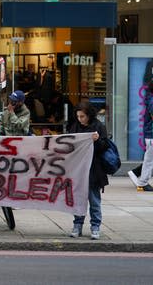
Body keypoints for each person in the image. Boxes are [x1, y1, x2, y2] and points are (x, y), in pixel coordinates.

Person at [68, 101, 109, 240]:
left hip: (94, 170)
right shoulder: (75, 127)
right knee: (78, 200)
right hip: (79, 170)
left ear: (89, 115)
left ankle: (95, 226)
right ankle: (77, 225)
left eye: (82, 116)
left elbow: (104, 147)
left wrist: (97, 141)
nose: (80, 119)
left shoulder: (98, 126)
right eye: (78, 116)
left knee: (94, 200)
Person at [129, 79, 153, 192]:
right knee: (149, 160)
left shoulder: (150, 98)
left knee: (149, 160)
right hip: (152, 135)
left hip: (150, 134)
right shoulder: (152, 100)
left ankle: (137, 174)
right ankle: (142, 183)